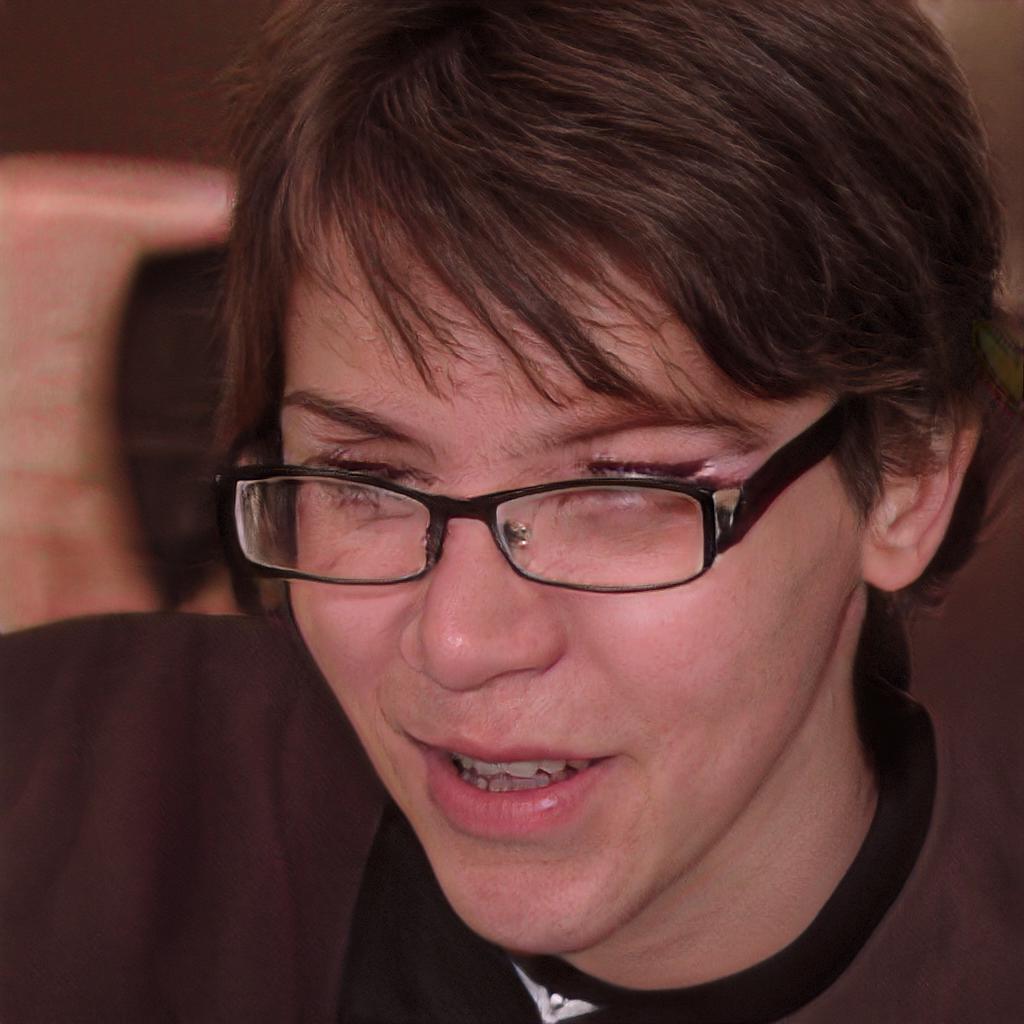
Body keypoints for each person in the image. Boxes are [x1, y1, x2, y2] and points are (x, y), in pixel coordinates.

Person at [1, 1, 1020, 1021]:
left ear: (908, 478)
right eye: (366, 480)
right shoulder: (63, 807)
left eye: (619, 489)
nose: (458, 641)